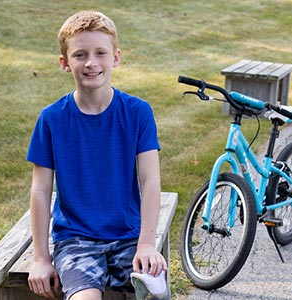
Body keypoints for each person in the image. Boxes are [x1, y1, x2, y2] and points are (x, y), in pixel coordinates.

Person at [26, 10, 168, 300]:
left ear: (115, 57)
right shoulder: (52, 119)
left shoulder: (138, 112)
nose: (91, 63)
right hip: (76, 240)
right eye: (80, 55)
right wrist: (41, 258)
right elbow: (40, 191)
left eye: (100, 53)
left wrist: (146, 244)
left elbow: (151, 181)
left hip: (129, 236)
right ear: (65, 63)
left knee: (153, 293)